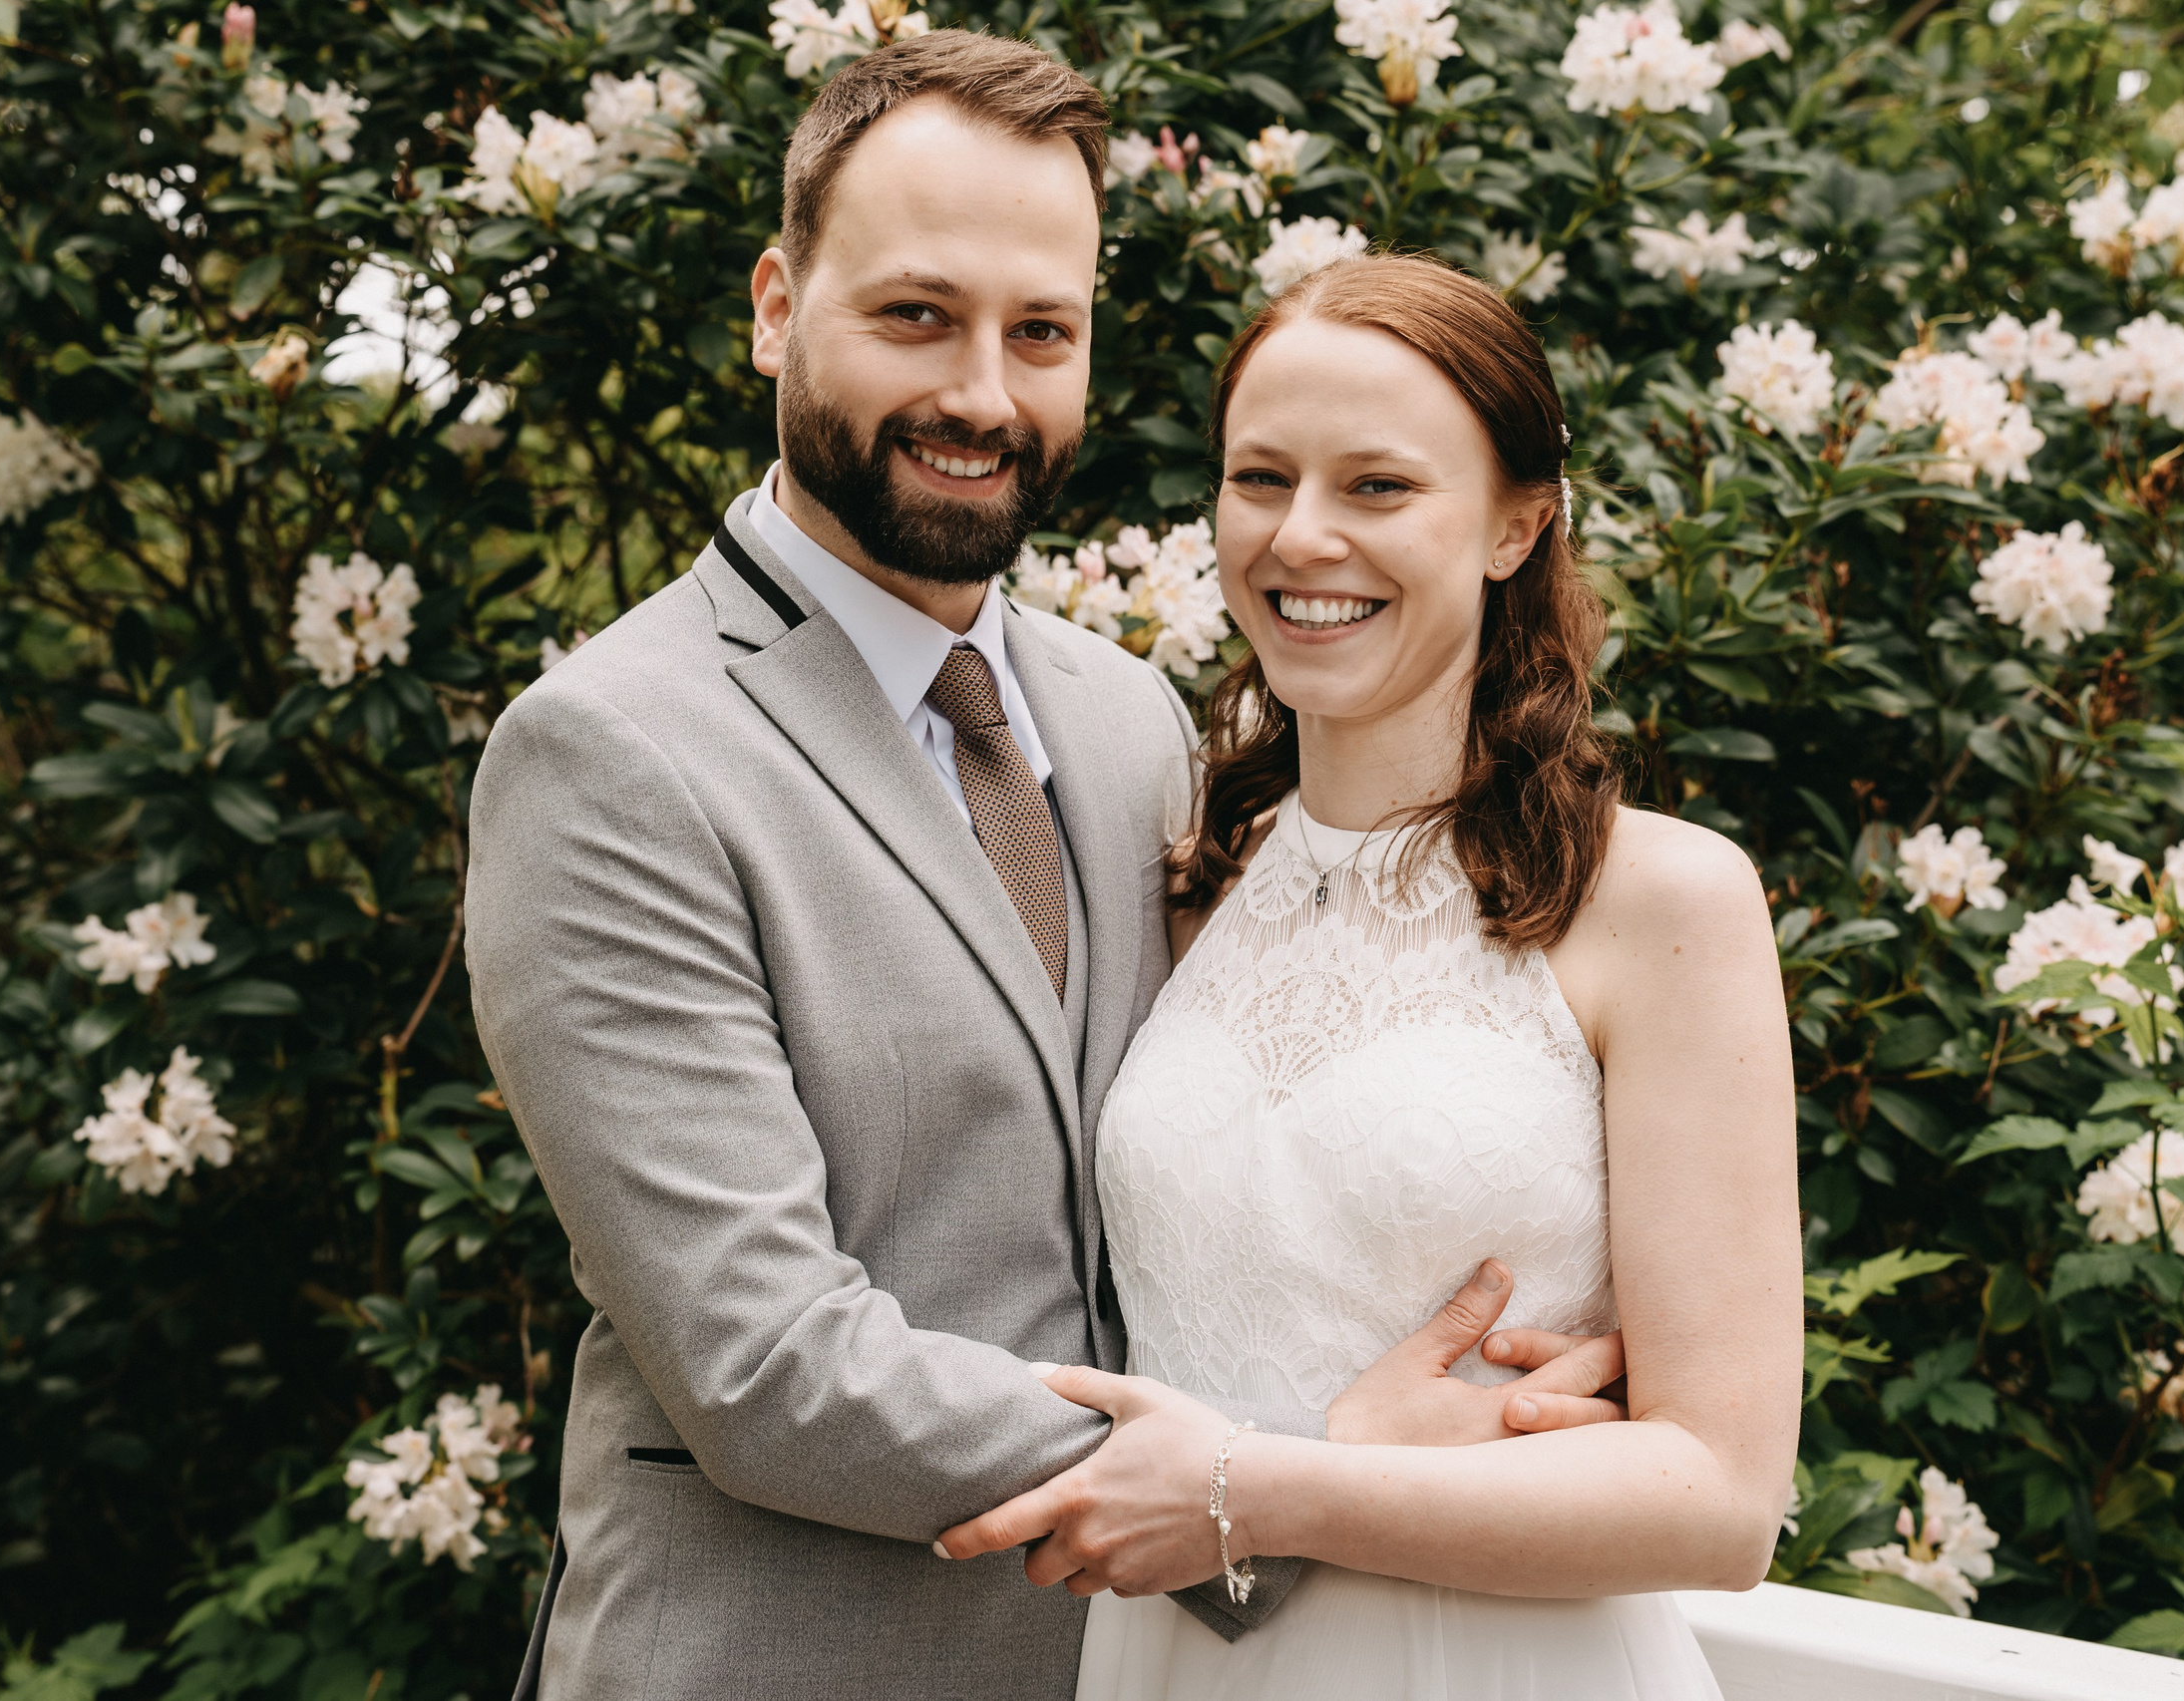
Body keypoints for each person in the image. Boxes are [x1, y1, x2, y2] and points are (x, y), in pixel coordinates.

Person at [465, 38, 1624, 1701]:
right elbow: (764, 1363)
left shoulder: (1131, 717)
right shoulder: (609, 753)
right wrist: (1286, 1469)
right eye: (917, 317)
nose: (985, 396)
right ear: (777, 307)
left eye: (1042, 332)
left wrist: (1549, 1338)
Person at [934, 254, 1803, 1700]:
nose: (1304, 538)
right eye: (1261, 478)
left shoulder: (1659, 901)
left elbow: (1718, 1497)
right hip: (1176, 1663)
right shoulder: (1180, 880)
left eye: (1381, 488)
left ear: (1518, 524)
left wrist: (1258, 1488)